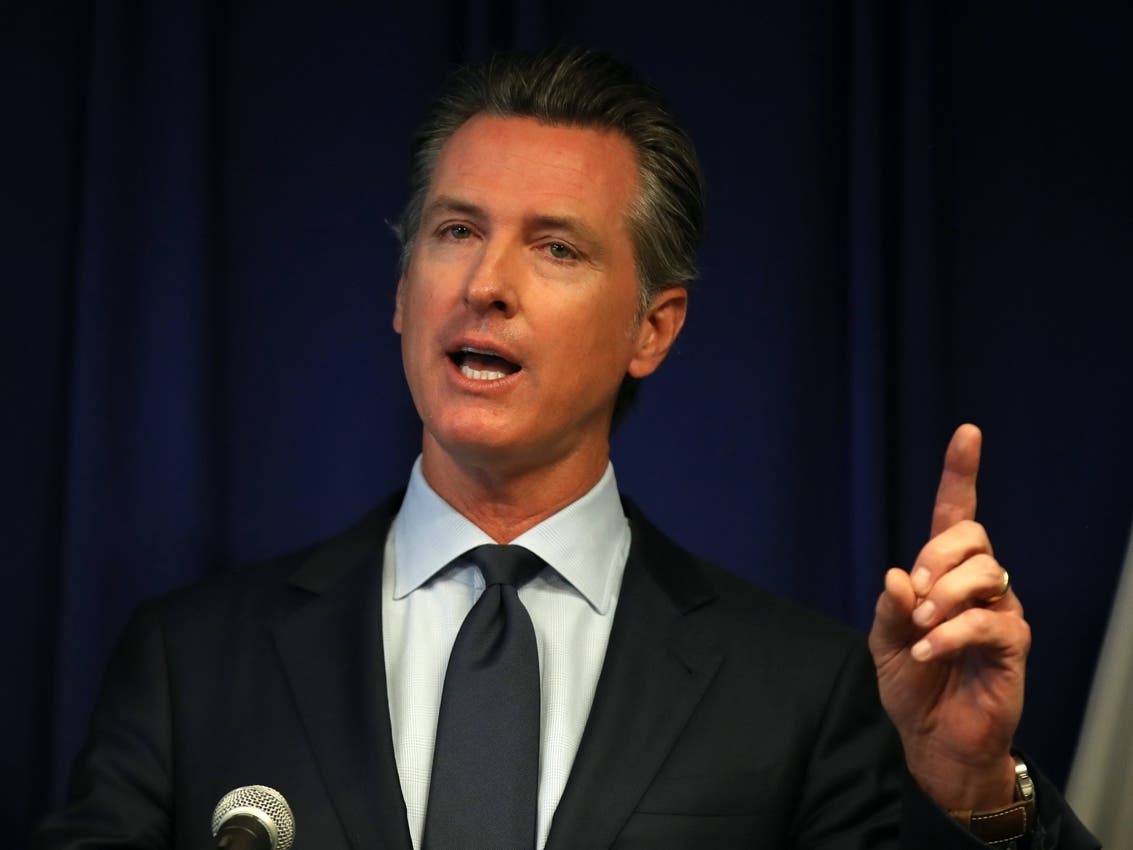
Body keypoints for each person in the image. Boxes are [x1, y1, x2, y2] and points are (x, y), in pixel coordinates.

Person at [36, 47, 1098, 849]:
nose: (484, 282)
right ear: (401, 294)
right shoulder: (190, 665)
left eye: (554, 246)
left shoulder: (798, 692)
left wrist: (971, 792)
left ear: (653, 327)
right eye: (454, 230)